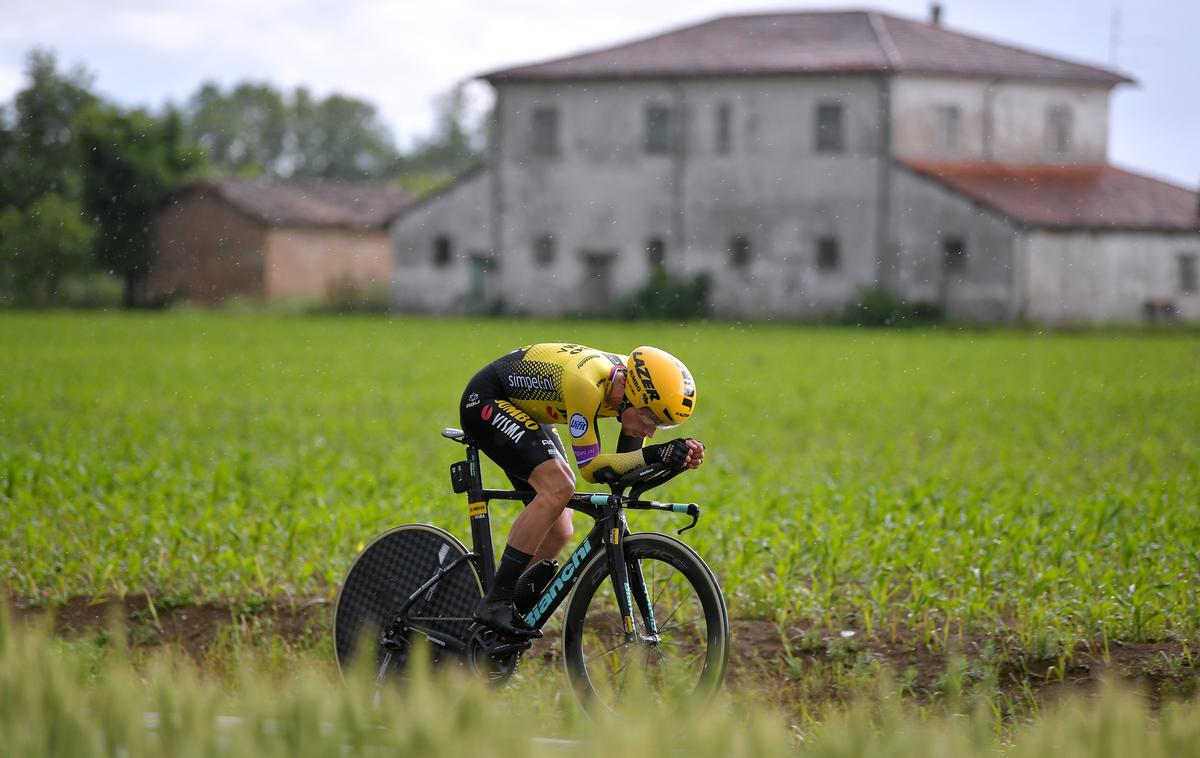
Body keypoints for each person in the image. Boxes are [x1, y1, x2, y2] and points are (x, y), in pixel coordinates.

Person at [459, 343, 704, 638]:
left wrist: (675, 459)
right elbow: (591, 470)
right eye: (652, 420)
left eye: (661, 427)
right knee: (559, 486)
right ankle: (496, 601)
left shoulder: (631, 383)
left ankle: (503, 619)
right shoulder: (587, 384)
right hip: (487, 399)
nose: (651, 432)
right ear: (631, 396)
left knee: (560, 527)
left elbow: (623, 471)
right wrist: (656, 453)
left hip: (527, 410)